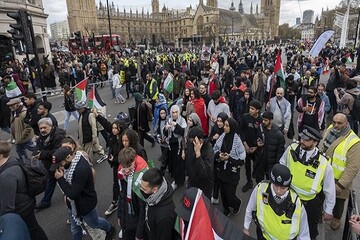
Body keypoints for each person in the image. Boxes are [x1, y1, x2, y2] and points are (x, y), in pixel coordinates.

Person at [280, 126, 336, 239]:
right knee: (286, 227)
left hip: (309, 204)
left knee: (309, 232)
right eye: (302, 138)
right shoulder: (291, 149)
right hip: (289, 198)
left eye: (306, 140)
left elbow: (329, 188)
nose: (302, 141)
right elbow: (282, 164)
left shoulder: (323, 162)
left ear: (315, 142)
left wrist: (328, 210)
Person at [52, 147, 115, 240]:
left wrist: (60, 179)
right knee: (75, 229)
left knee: (94, 223)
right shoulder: (71, 164)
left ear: (69, 157)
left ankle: (110, 229)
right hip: (73, 204)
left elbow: (73, 194)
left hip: (85, 204)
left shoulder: (80, 169)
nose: (59, 168)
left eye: (60, 164)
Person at [243, 164, 310, 240]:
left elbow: (304, 232)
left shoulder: (297, 203)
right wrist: (246, 228)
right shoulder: (261, 188)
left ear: (288, 186)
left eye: (283, 188)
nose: (278, 190)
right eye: (275, 185)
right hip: (263, 236)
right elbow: (250, 208)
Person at [0, 141, 48, 240]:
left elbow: (7, 208)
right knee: (34, 229)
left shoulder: (6, 176)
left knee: (32, 231)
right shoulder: (11, 160)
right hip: (27, 203)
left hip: (21, 210)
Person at [321, 113, 360, 231]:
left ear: (346, 123)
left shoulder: (354, 141)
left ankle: (336, 218)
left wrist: (341, 184)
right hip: (324, 173)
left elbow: (353, 167)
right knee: (321, 195)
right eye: (334, 122)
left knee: (338, 203)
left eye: (339, 123)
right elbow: (322, 146)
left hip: (339, 179)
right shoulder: (330, 129)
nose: (336, 125)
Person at [93, 108, 128, 216]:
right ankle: (115, 201)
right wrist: (97, 115)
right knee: (116, 184)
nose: (113, 130)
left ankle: (127, 202)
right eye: (112, 128)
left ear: (120, 129)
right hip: (115, 165)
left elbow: (128, 155)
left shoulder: (125, 139)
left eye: (115, 128)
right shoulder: (113, 134)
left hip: (123, 166)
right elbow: (106, 123)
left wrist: (116, 159)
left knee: (125, 183)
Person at [213, 118, 246, 216]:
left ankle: (236, 203)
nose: (224, 127)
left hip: (232, 173)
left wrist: (229, 158)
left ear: (232, 127)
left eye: (227, 126)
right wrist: (219, 155)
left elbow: (241, 160)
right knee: (223, 193)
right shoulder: (222, 137)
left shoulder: (237, 142)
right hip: (221, 171)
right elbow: (215, 150)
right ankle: (226, 209)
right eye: (225, 125)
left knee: (230, 196)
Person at [33, 118, 66, 210]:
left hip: (58, 163)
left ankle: (71, 195)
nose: (42, 130)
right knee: (51, 181)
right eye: (40, 128)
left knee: (59, 180)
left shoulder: (58, 136)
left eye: (44, 128)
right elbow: (39, 145)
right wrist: (36, 153)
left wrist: (42, 155)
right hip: (49, 163)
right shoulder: (43, 135)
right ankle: (46, 201)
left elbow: (58, 151)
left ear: (51, 127)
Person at [117, 147, 148, 240]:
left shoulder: (142, 178)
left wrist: (139, 234)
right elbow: (122, 194)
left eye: (129, 166)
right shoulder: (122, 172)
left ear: (135, 161)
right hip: (127, 214)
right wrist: (120, 215)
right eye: (123, 167)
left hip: (137, 216)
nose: (126, 171)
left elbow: (143, 209)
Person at [140, 168, 177, 240]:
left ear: (155, 190)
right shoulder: (153, 197)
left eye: (144, 189)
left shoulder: (164, 217)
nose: (140, 189)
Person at [254, 111, 285, 183]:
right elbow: (254, 139)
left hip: (271, 165)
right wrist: (256, 143)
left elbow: (280, 153)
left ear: (271, 120)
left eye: (265, 120)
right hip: (260, 162)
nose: (263, 122)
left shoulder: (278, 135)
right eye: (263, 119)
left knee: (270, 184)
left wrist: (276, 166)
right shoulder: (260, 128)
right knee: (259, 183)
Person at [239, 100, 263, 193]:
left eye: (252, 109)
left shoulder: (261, 120)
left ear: (257, 110)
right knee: (247, 165)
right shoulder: (245, 117)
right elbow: (241, 130)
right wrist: (245, 144)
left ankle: (259, 185)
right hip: (246, 146)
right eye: (250, 108)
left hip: (256, 148)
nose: (250, 110)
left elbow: (261, 135)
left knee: (257, 166)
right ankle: (249, 182)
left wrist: (256, 147)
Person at [185, 126, 214, 199]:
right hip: (192, 182)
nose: (190, 142)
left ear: (200, 140)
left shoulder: (208, 150)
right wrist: (187, 174)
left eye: (192, 141)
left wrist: (198, 154)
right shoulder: (190, 143)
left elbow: (205, 173)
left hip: (204, 186)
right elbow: (188, 160)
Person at [163, 105, 187, 190]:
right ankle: (175, 178)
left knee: (179, 164)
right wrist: (166, 128)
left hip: (179, 146)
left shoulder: (182, 120)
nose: (174, 114)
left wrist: (176, 125)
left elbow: (184, 132)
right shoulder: (169, 120)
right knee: (173, 163)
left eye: (176, 112)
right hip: (171, 146)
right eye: (173, 112)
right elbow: (165, 133)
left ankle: (178, 181)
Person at [7, 98, 35, 164]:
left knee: (33, 148)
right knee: (20, 150)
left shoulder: (24, 113)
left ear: (17, 105)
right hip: (18, 137)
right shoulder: (14, 112)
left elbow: (28, 127)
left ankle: (42, 155)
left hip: (23, 137)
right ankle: (25, 162)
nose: (10, 107)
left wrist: (22, 136)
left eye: (12, 105)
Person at [154, 107, 170, 175]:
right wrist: (159, 138)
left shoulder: (168, 120)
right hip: (161, 143)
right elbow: (156, 131)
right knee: (166, 157)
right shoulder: (158, 121)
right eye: (161, 113)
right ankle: (169, 167)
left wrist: (166, 138)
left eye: (164, 113)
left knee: (164, 159)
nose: (163, 115)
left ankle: (161, 173)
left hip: (167, 143)